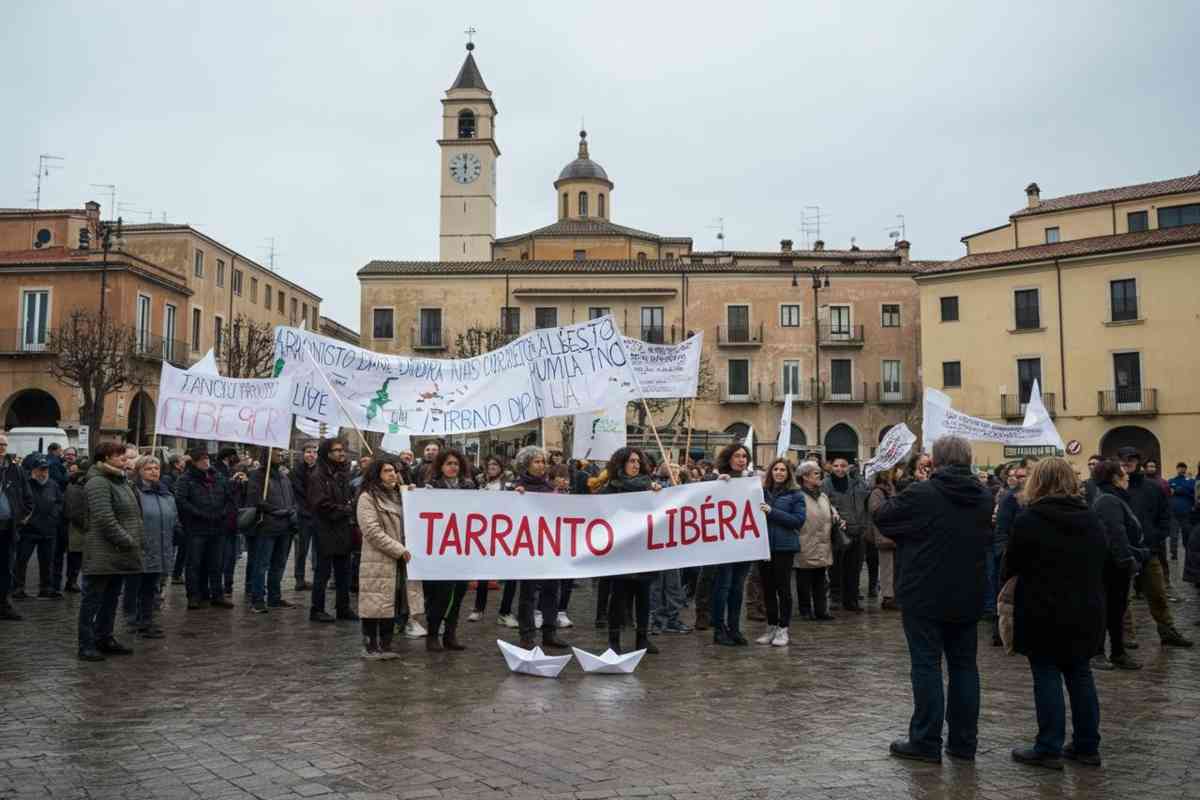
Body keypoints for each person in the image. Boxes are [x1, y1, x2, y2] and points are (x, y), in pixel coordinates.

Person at [874, 435, 993, 764]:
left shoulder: (923, 492)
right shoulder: (983, 495)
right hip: (967, 592)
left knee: (926, 665)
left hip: (924, 592)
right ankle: (964, 742)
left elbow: (883, 516)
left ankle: (926, 740)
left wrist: (909, 530)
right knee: (964, 667)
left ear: (936, 461)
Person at [1003, 458, 1107, 770]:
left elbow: (1012, 564)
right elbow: (1103, 558)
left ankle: (1048, 746)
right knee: (1080, 674)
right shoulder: (1090, 517)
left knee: (1046, 674)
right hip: (1085, 608)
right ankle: (1087, 746)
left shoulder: (1029, 519)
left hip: (1042, 608)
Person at [1118, 447, 1192, 647]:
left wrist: (1157, 537)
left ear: (1138, 462)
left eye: (1131, 459)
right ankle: (1126, 635)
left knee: (1157, 594)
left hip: (1148, 551)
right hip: (1123, 551)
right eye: (1123, 460)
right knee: (1123, 598)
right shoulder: (1115, 487)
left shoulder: (1153, 487)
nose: (1127, 463)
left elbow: (1165, 514)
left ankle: (1167, 631)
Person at [78, 442, 144, 661]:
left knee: (111, 598)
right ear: (105, 458)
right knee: (92, 600)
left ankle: (104, 637)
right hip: (102, 552)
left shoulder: (121, 481)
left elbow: (133, 514)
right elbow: (104, 518)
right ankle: (86, 644)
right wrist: (128, 540)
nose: (125, 459)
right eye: (120, 456)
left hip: (119, 552)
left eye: (125, 456)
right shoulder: (98, 482)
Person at [597, 446, 662, 654]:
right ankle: (614, 640)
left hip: (643, 550)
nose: (635, 465)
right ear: (621, 463)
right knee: (618, 597)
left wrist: (659, 494)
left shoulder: (648, 487)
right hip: (620, 551)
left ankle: (642, 639)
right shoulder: (610, 490)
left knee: (643, 596)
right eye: (631, 461)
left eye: (638, 461)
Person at [509, 446, 570, 651]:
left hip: (550, 546)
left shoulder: (550, 488)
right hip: (527, 547)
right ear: (526, 464)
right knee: (528, 593)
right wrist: (515, 497)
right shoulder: (517, 488)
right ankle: (527, 634)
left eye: (543, 461)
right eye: (536, 461)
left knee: (551, 590)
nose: (541, 465)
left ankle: (549, 632)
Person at [1090, 459, 1145, 670]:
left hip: (1115, 563)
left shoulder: (1113, 497)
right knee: (1109, 609)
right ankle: (1099, 653)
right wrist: (1128, 560)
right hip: (1112, 566)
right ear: (1114, 478)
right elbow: (1115, 534)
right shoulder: (1108, 500)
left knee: (1116, 610)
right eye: (1123, 472)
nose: (1127, 476)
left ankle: (1117, 652)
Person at [356, 458, 410, 659]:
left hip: (398, 559)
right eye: (387, 470)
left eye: (394, 470)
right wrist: (398, 549)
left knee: (391, 601)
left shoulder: (400, 496)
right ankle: (370, 646)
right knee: (374, 602)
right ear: (376, 474)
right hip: (377, 559)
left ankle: (386, 645)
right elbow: (372, 531)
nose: (392, 474)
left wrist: (414, 495)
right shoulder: (367, 498)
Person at [421, 448, 475, 651]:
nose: (453, 467)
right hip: (440, 549)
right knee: (440, 594)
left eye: (456, 464)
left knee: (459, 592)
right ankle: (433, 634)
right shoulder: (431, 487)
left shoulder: (469, 487)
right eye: (449, 463)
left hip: (462, 548)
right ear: (441, 466)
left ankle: (450, 634)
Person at [174, 448, 234, 610]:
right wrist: (199, 514)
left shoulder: (218, 477)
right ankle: (194, 596)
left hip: (217, 527)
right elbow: (181, 501)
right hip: (196, 528)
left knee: (216, 563)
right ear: (194, 462)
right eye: (201, 459)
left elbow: (229, 497)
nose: (206, 462)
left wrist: (223, 512)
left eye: (207, 458)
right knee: (194, 563)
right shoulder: (185, 479)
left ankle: (217, 594)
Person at [755, 458, 805, 647]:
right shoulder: (762, 492)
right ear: (770, 472)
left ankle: (783, 628)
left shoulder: (796, 495)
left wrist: (772, 512)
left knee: (783, 589)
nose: (779, 472)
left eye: (783, 469)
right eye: (775, 469)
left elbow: (798, 521)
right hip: (764, 546)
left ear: (788, 473)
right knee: (767, 589)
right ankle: (771, 626)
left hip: (784, 547)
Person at [308, 438, 358, 623]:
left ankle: (343, 607)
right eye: (337, 450)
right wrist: (344, 510)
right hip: (325, 529)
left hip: (343, 529)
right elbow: (320, 504)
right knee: (322, 572)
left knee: (343, 571)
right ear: (327, 453)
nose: (341, 453)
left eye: (343, 450)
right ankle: (317, 609)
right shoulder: (318, 475)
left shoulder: (343, 473)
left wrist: (350, 506)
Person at [709, 443, 753, 646]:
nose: (741, 459)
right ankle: (719, 629)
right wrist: (716, 484)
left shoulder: (750, 480)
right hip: (724, 544)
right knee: (723, 586)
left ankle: (734, 628)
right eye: (737, 456)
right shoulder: (716, 478)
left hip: (745, 543)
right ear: (728, 458)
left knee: (737, 588)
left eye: (744, 456)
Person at [246, 448, 299, 614]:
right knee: (261, 564)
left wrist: (292, 511)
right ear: (267, 455)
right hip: (267, 527)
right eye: (277, 452)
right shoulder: (257, 476)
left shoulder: (284, 476)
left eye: (281, 453)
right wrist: (278, 511)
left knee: (279, 565)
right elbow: (255, 500)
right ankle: (257, 599)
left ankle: (274, 597)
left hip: (285, 527)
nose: (280, 455)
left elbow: (292, 499)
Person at [130, 455, 177, 639]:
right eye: (149, 469)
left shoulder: (166, 494)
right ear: (139, 471)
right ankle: (137, 620)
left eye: (156, 468)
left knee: (151, 587)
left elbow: (173, 517)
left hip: (161, 546)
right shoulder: (134, 492)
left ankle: (146, 620)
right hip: (142, 546)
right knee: (138, 587)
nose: (153, 472)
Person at [14, 457, 64, 600]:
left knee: (47, 561)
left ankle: (46, 588)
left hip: (48, 530)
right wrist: (25, 519)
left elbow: (60, 502)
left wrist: (54, 515)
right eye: (40, 470)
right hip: (28, 530)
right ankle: (18, 588)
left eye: (46, 470)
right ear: (33, 471)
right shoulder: (26, 484)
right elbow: (19, 502)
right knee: (21, 560)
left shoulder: (53, 485)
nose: (43, 473)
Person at [823, 457, 870, 612]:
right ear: (831, 467)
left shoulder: (855, 482)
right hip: (839, 531)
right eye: (836, 465)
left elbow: (866, 493)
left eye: (843, 466)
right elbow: (825, 505)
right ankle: (836, 596)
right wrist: (836, 520)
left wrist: (859, 476)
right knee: (836, 567)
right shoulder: (826, 484)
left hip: (857, 530)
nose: (839, 469)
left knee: (854, 568)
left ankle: (852, 599)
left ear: (848, 467)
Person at [794, 460, 835, 623]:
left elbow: (828, 515)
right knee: (804, 580)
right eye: (816, 473)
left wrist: (836, 518)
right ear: (805, 477)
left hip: (823, 543)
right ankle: (805, 610)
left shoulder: (823, 496)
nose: (820, 476)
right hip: (805, 542)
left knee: (820, 579)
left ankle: (821, 610)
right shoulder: (797, 495)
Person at [0, 434, 33, 620]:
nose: (1, 447)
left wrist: (21, 519)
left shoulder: (15, 470)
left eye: (4, 444)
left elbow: (27, 497)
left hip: (8, 528)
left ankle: (4, 605)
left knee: (6, 568)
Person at [868, 465, 901, 610]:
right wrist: (893, 504)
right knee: (887, 566)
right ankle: (888, 597)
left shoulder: (892, 488)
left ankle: (893, 595)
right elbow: (876, 511)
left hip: (893, 533)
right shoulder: (878, 492)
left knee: (894, 567)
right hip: (884, 534)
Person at [291, 442, 319, 592]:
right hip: (303, 515)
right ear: (303, 454)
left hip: (318, 515)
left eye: (314, 452)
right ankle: (299, 579)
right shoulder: (297, 470)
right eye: (308, 452)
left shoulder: (321, 469)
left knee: (318, 549)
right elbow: (299, 491)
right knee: (301, 549)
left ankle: (318, 578)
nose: (311, 455)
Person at [62, 460, 89, 594]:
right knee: (76, 556)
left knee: (77, 556)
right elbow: (73, 511)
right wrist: (86, 525)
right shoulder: (76, 486)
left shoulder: (75, 484)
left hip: (79, 525)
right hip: (78, 527)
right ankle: (71, 581)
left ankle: (72, 581)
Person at [1168, 462, 1194, 561]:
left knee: (1186, 533)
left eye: (1183, 468)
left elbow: (1191, 491)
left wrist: (1178, 490)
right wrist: (1183, 490)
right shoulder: (1171, 480)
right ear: (1177, 469)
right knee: (1173, 535)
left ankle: (1188, 551)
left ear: (1185, 469)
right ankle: (1173, 553)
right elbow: (1169, 491)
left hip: (1186, 511)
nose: (1181, 469)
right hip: (1173, 512)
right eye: (1179, 467)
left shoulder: (1190, 481)